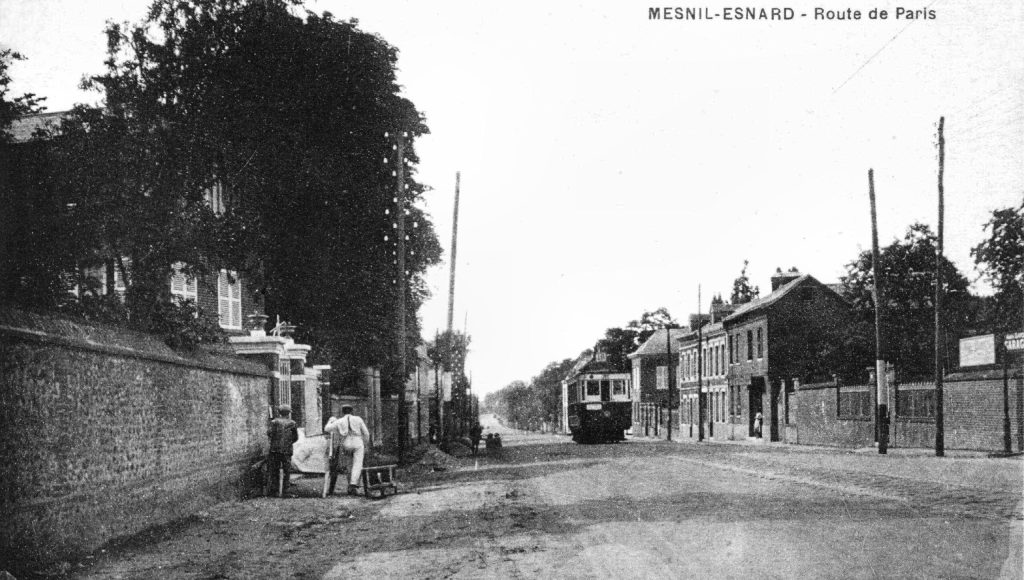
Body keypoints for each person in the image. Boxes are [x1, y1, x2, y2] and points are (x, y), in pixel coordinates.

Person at [324, 405, 370, 496]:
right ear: (352, 411)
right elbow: (366, 433)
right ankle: (353, 483)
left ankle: (351, 487)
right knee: (357, 464)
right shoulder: (358, 419)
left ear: (342, 412)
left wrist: (331, 420)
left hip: (346, 443)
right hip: (357, 442)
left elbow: (326, 429)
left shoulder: (339, 421)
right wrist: (365, 444)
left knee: (349, 465)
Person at [266, 404, 299, 497]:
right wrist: (288, 443)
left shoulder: (274, 422)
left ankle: (274, 491)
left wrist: (275, 441)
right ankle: (286, 492)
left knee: (274, 470)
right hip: (287, 450)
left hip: (274, 450)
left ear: (279, 412)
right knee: (287, 471)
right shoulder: (292, 423)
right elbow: (295, 437)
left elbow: (269, 433)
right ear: (288, 413)